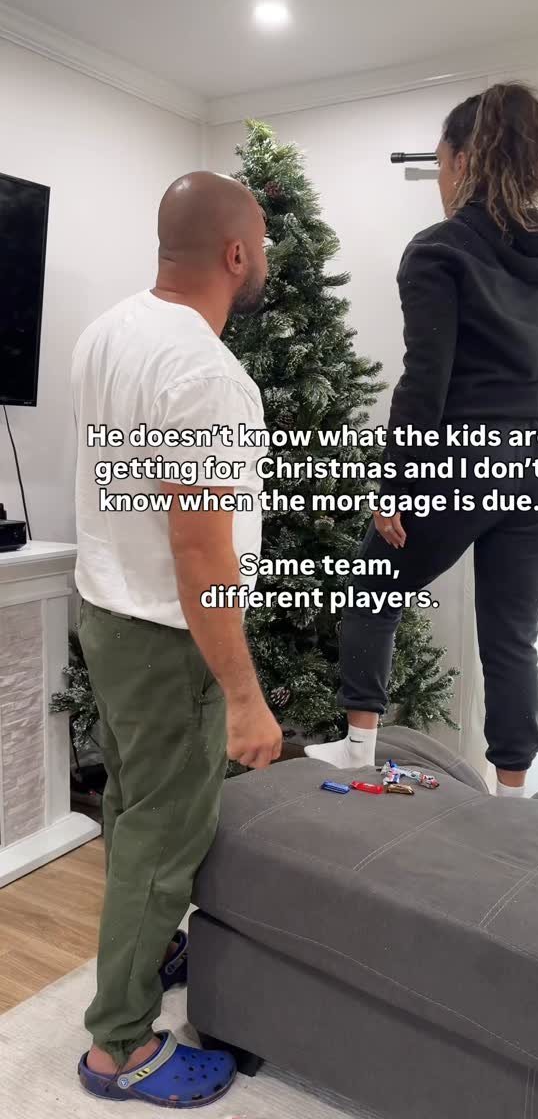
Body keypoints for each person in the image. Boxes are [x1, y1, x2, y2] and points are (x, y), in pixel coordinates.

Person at [306, 82, 538, 796]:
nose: (439, 179)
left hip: (467, 457)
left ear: (465, 160)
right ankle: (512, 794)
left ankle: (358, 747)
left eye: (439, 163)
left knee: (373, 584)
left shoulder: (439, 250)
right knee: (512, 636)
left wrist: (394, 485)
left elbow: (425, 382)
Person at [73, 171, 283, 1107]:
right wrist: (242, 695)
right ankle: (119, 1048)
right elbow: (201, 550)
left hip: (107, 615)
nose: (265, 258)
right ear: (236, 253)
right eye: (262, 244)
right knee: (164, 836)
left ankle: (149, 949)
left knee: (131, 810)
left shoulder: (108, 332)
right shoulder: (206, 374)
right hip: (167, 636)